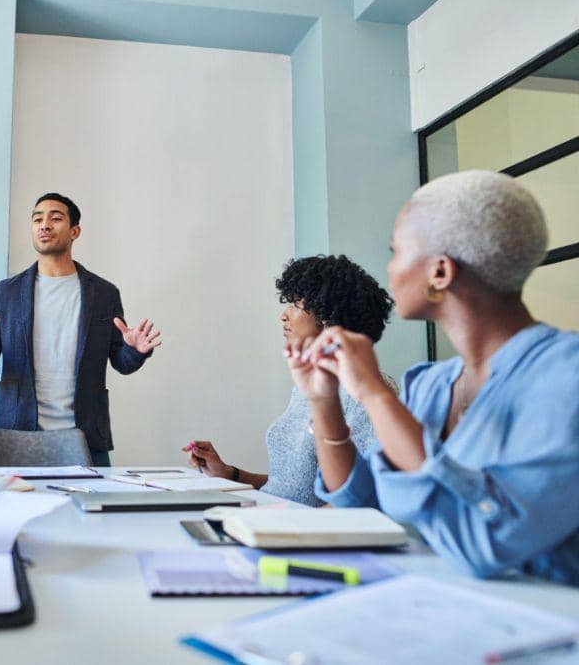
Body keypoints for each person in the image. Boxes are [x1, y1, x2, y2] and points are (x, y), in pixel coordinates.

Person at [288, 170, 578, 584]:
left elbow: (485, 544)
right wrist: (324, 402)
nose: (390, 270)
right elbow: (360, 509)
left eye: (397, 252)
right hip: (434, 602)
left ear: (439, 272)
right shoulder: (428, 385)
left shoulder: (565, 376)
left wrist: (374, 393)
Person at [0, 193, 161, 466]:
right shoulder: (6, 293)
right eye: (37, 219)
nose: (44, 225)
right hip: (17, 436)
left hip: (86, 437)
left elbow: (122, 362)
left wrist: (135, 350)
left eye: (55, 218)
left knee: (94, 496)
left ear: (74, 231)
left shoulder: (104, 293)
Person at [184, 255, 395, 506]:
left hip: (299, 527)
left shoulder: (360, 393)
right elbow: (293, 488)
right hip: (273, 516)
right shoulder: (310, 386)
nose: (283, 316)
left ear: (327, 316)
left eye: (295, 304)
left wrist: (289, 523)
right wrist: (230, 474)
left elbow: (359, 497)